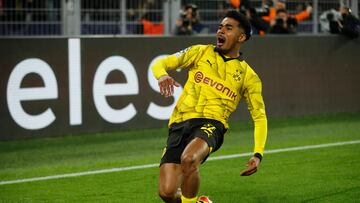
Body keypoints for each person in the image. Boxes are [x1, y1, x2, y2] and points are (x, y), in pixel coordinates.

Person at [151, 10, 268, 203]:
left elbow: (259, 116)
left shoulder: (249, 76)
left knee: (189, 159)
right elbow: (161, 62)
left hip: (211, 124)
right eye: (220, 27)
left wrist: (258, 153)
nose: (220, 31)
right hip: (179, 123)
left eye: (228, 28)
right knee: (167, 193)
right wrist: (162, 75)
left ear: (241, 37)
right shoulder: (199, 52)